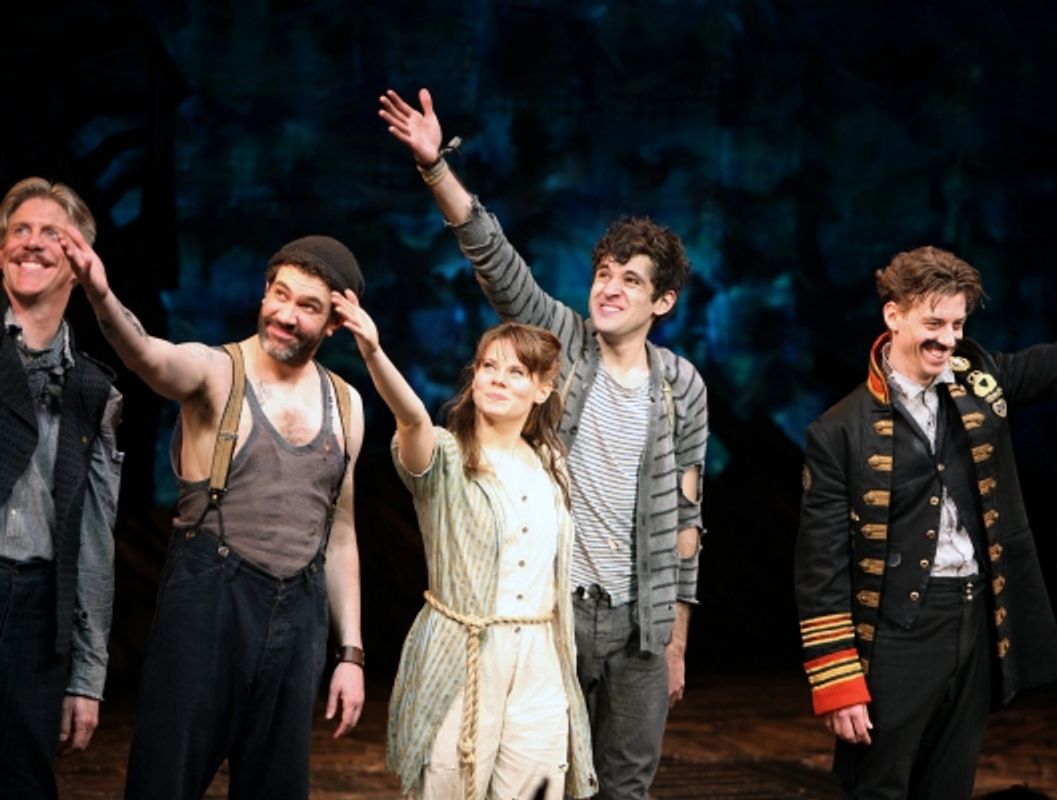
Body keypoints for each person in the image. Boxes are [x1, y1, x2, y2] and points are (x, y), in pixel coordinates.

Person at [380, 87, 708, 800]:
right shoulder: (563, 350)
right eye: (603, 274)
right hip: (556, 614)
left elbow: (686, 523)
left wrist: (675, 639)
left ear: (663, 302)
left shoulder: (682, 387)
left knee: (626, 787)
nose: (610, 289)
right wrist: (437, 168)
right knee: (552, 784)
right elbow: (497, 264)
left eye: (631, 281)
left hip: (640, 627)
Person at [794, 244, 1057, 799]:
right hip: (896, 634)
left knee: (951, 784)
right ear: (893, 315)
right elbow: (820, 567)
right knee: (879, 785)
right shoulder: (839, 429)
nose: (948, 338)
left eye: (958, 323)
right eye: (933, 322)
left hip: (974, 618)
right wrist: (838, 683)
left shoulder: (980, 379)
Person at [63, 230, 367, 799]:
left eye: (308, 307)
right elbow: (148, 356)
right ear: (264, 292)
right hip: (209, 608)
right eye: (280, 294)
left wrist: (350, 652)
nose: (286, 314)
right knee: (165, 783)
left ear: (333, 324)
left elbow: (341, 534)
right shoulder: (215, 373)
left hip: (298, 622)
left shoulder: (345, 404)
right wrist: (101, 295)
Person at [335, 289, 595, 799]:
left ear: (543, 389)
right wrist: (373, 352)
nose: (497, 378)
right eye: (488, 366)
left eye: (516, 371)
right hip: (466, 651)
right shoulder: (446, 458)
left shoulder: (551, 465)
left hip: (541, 654)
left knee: (536, 786)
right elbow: (410, 420)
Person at [0, 177, 122, 799]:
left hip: (36, 611)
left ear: (79, 261)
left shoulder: (94, 391)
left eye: (53, 233)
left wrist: (88, 674)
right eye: (19, 230)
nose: (32, 243)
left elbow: (95, 543)